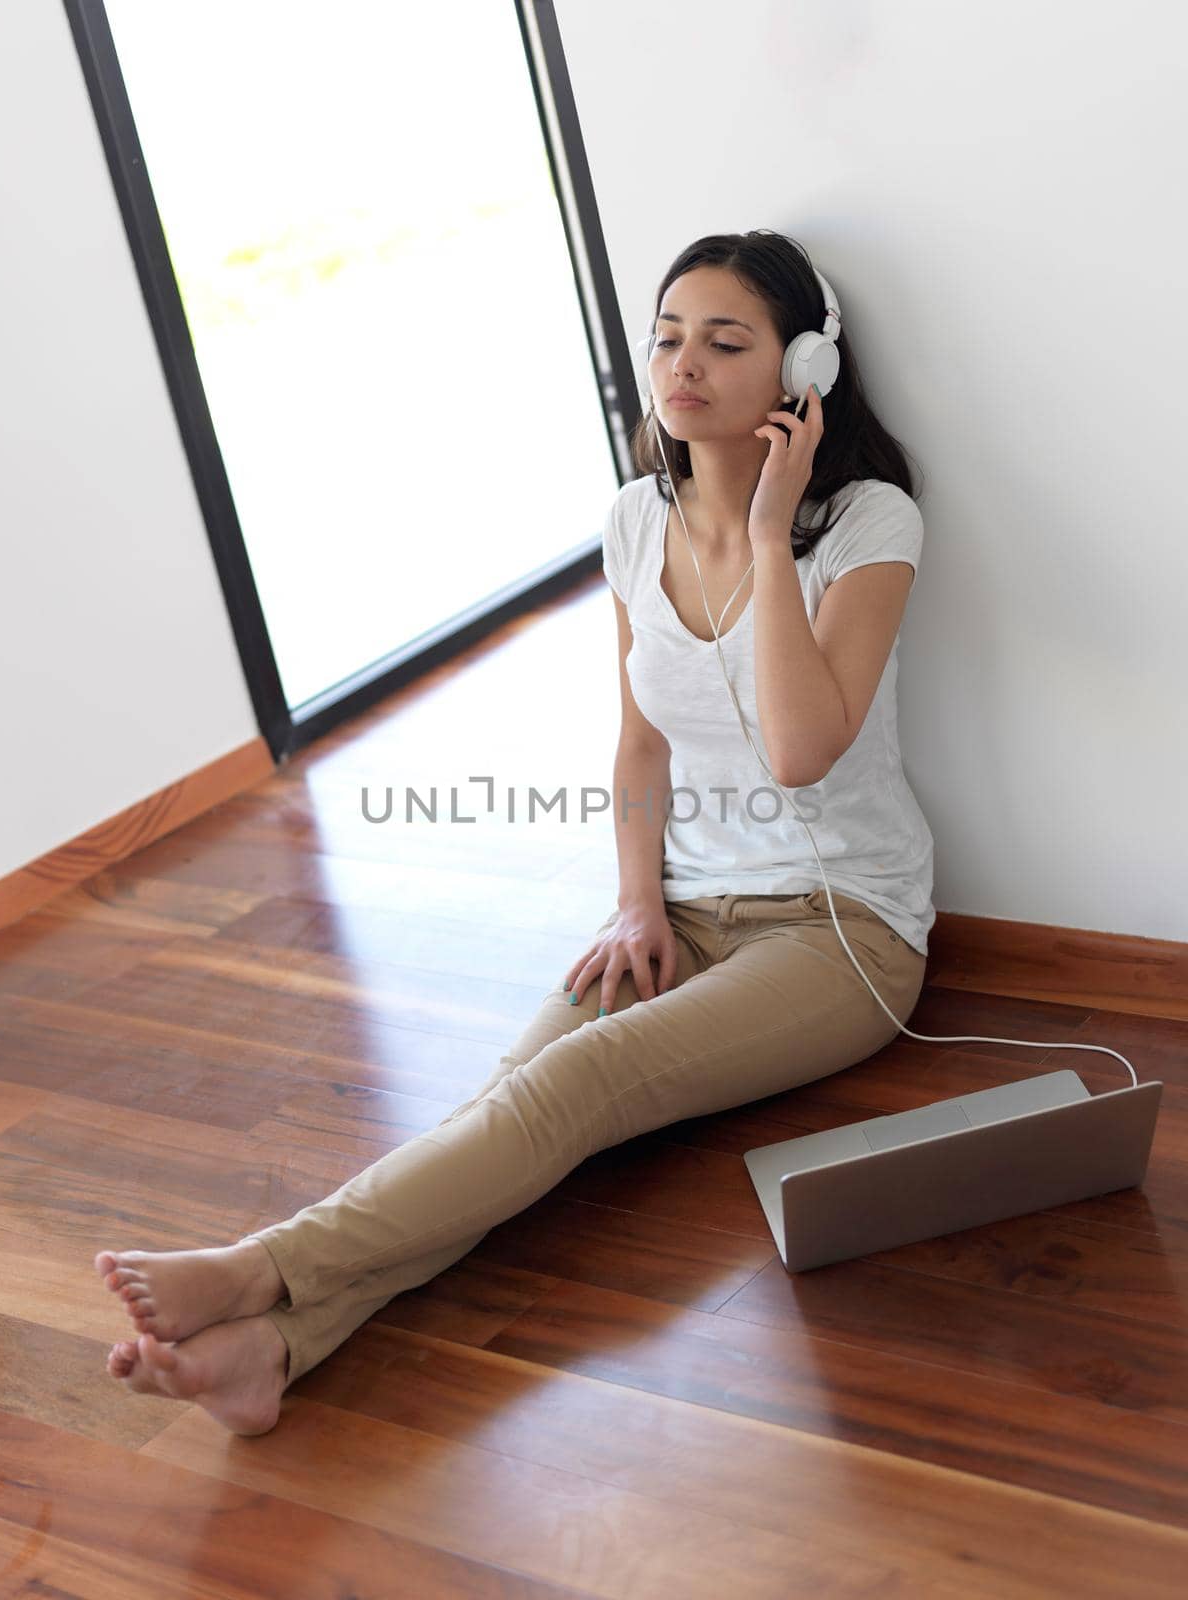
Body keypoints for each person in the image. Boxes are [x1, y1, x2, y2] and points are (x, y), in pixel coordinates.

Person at [94, 229, 934, 1436]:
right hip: (683, 905)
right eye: (667, 335)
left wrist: (765, 530)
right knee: (509, 1096)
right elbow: (640, 740)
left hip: (843, 929)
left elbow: (805, 751)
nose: (682, 362)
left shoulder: (867, 523)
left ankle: (260, 1267)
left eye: (726, 340)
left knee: (578, 1081)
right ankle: (277, 1345)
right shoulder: (634, 521)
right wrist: (639, 902)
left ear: (803, 367)